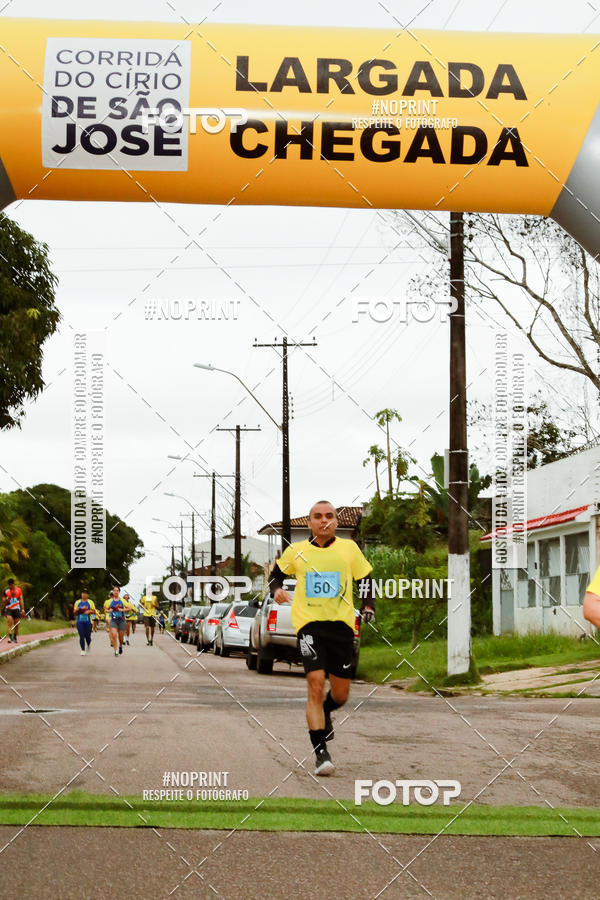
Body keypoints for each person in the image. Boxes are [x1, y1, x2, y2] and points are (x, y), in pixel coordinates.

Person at [269, 501, 375, 776]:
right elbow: (275, 576)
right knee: (315, 684)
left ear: (336, 522)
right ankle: (320, 753)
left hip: (341, 627)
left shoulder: (349, 549)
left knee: (340, 694)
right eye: (318, 517)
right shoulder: (298, 551)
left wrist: (368, 605)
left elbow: (365, 578)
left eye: (329, 516)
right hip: (309, 626)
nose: (324, 521)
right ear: (310, 523)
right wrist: (276, 591)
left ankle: (326, 712)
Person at [74, 588, 97, 656]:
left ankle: (88, 643)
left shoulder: (90, 602)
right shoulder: (77, 602)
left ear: (88, 595)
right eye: (83, 593)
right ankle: (83, 650)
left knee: (88, 636)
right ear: (81, 594)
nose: (84, 594)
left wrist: (89, 611)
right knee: (81, 636)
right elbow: (74, 612)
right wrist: (77, 609)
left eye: (85, 593)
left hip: (88, 621)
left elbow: (94, 611)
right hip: (80, 621)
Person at [3, 578, 25, 643]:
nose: (10, 586)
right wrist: (6, 599)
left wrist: (23, 609)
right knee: (9, 623)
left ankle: (15, 637)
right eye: (9, 585)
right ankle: (10, 638)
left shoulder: (18, 590)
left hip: (16, 609)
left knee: (16, 624)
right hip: (9, 609)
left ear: (13, 584)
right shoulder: (6, 591)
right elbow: (3, 600)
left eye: (11, 585)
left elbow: (21, 600)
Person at [108, 587, 126, 657]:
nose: (116, 592)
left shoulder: (123, 601)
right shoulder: (109, 601)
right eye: (114, 590)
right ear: (113, 592)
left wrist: (122, 610)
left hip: (121, 620)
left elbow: (129, 608)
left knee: (121, 638)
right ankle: (116, 651)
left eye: (117, 590)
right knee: (114, 635)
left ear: (119, 592)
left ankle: (120, 646)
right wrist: (109, 611)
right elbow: (105, 609)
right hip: (113, 620)